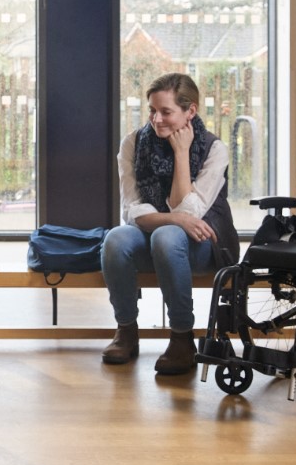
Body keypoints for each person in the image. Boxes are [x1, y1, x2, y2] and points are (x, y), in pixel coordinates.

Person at [101, 72, 239, 375]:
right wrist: (174, 219)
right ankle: (126, 331)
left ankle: (181, 338)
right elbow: (132, 211)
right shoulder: (132, 144)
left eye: (166, 111)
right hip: (153, 237)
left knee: (166, 237)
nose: (156, 119)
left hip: (201, 246)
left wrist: (181, 153)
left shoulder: (214, 149)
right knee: (115, 239)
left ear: (191, 111)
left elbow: (189, 210)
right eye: (152, 110)